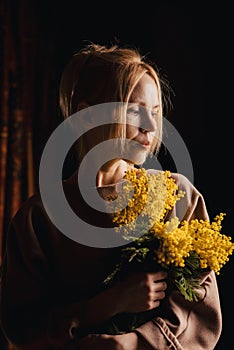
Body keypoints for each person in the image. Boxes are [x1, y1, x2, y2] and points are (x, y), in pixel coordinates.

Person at [0, 43, 222, 350]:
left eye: (155, 112)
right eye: (134, 110)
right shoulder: (38, 219)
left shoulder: (177, 196)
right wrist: (104, 305)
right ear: (85, 117)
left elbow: (200, 318)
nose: (151, 126)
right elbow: (23, 329)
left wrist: (130, 344)